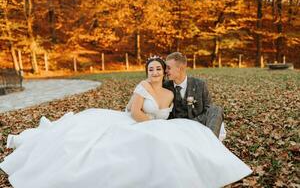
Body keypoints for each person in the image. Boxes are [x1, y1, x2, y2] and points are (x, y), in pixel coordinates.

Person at [0, 56, 252, 188]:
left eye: (158, 69)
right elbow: (135, 112)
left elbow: (174, 113)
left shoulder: (169, 92)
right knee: (95, 143)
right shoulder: (142, 86)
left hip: (160, 125)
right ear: (147, 73)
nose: (154, 73)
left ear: (165, 72)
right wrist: (151, 125)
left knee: (182, 141)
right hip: (134, 122)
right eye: (151, 69)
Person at [164, 52, 226, 139]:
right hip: (176, 127)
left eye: (168, 68)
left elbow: (208, 108)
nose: (165, 71)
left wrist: (193, 123)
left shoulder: (199, 84)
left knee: (216, 109)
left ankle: (211, 142)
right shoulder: (165, 86)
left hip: (197, 124)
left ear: (179, 68)